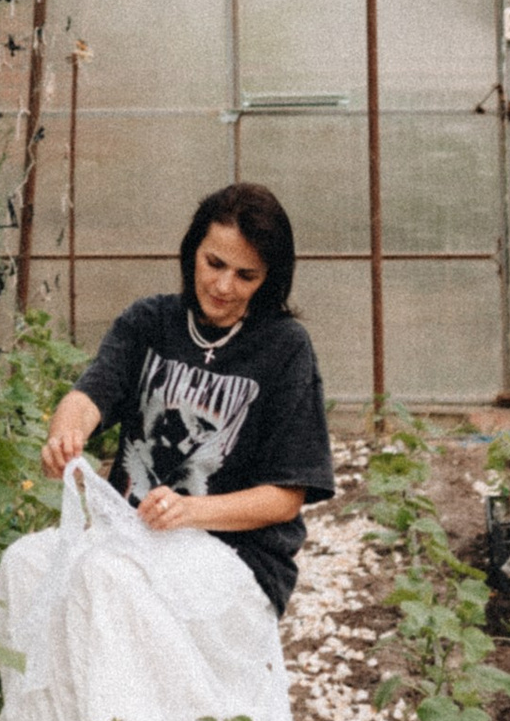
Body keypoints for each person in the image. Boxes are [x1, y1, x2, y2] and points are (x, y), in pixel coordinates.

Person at [38, 181, 335, 614]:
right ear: (191, 251)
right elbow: (88, 397)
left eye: (245, 275)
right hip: (131, 534)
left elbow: (285, 497)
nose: (223, 285)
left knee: (104, 579)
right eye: (213, 263)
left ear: (269, 278)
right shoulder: (149, 322)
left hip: (236, 556)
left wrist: (191, 511)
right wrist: (65, 437)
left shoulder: (284, 347)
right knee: (26, 566)